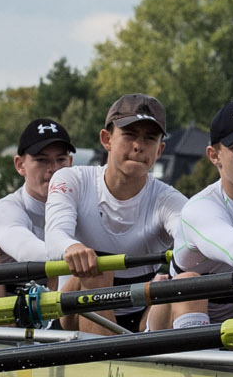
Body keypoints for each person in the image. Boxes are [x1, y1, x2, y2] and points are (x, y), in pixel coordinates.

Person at [43, 94, 193, 336]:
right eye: (130, 134)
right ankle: (104, 365)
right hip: (73, 313)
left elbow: (195, 240)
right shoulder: (73, 179)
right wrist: (71, 247)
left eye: (149, 138)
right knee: (97, 273)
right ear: (107, 139)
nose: (139, 145)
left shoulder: (169, 200)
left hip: (140, 314)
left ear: (159, 150)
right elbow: (54, 237)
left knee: (174, 282)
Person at [157, 99, 233, 329]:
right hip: (175, 320)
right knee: (190, 285)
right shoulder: (200, 209)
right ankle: (199, 360)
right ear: (214, 155)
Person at [0, 118, 75, 303]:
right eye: (41, 160)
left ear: (70, 162)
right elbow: (25, 250)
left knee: (76, 267)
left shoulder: (84, 205)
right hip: (3, 309)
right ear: (20, 165)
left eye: (60, 160)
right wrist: (77, 252)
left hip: (53, 307)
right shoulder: (5, 210)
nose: (53, 169)